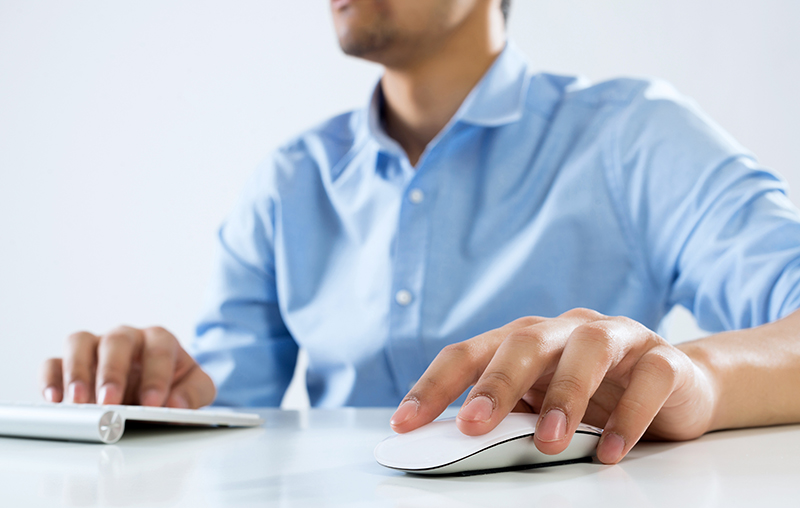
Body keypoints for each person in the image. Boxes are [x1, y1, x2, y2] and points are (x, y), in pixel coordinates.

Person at [40, 0, 800, 465]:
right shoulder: (290, 178)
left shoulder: (635, 136)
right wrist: (159, 396)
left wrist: (694, 380)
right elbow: (229, 409)